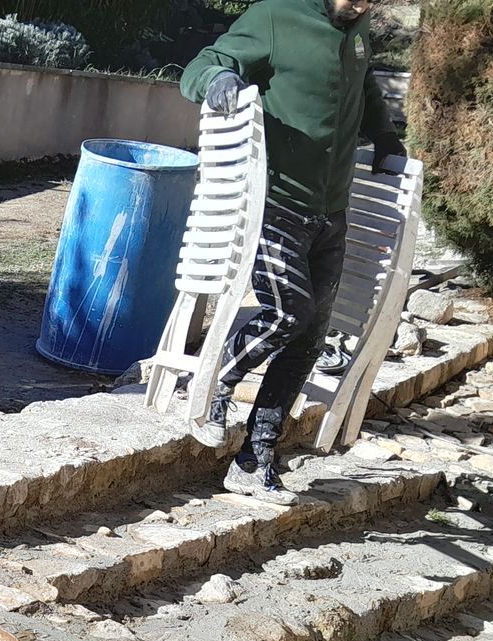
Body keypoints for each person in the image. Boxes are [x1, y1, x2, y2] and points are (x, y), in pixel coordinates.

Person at [181, 0, 406, 493]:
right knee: (288, 314)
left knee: (307, 342)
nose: (364, 4)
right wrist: (218, 81)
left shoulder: (357, 27)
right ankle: (214, 379)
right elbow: (204, 65)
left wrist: (384, 135)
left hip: (331, 214)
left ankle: (253, 461)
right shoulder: (275, 16)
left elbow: (363, 83)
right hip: (274, 204)